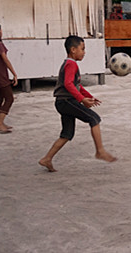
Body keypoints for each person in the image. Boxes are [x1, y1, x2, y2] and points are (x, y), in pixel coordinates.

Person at [39, 36, 116, 172]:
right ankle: (100, 151)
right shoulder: (71, 64)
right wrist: (81, 99)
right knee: (94, 119)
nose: (84, 52)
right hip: (67, 101)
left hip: (63, 102)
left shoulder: (69, 63)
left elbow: (77, 86)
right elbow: (69, 84)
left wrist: (89, 97)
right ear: (73, 50)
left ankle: (47, 159)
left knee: (67, 134)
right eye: (82, 49)